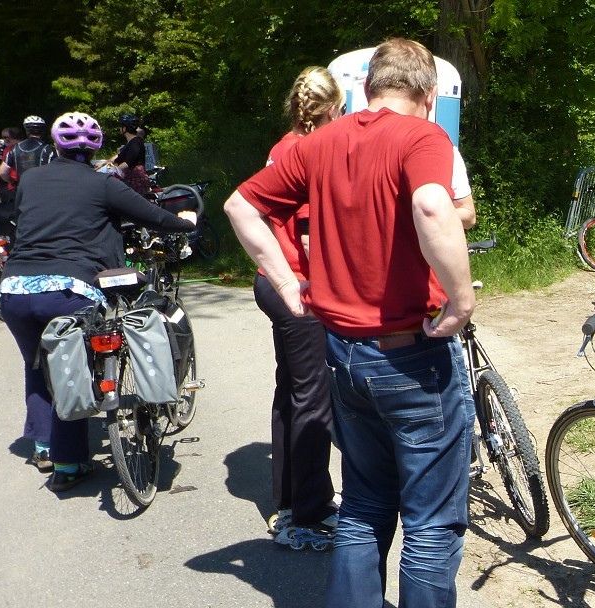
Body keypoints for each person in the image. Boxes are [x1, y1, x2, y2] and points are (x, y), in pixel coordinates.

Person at [225, 37, 476, 607]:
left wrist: (287, 283)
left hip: (343, 354)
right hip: (411, 356)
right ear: (429, 94)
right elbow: (435, 206)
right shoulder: (423, 135)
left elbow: (241, 205)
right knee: (432, 524)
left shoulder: (321, 141)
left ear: (367, 87)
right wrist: (460, 301)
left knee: (364, 505)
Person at [0, 112, 195, 491]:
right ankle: (69, 464)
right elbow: (152, 216)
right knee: (72, 367)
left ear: (56, 145)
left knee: (39, 362)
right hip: (68, 289)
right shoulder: (102, 183)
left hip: (16, 290)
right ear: (95, 149)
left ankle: (43, 446)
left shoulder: (32, 180)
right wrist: (186, 221)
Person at [255, 66, 344, 550]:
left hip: (272, 279)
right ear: (332, 110)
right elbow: (312, 233)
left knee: (291, 389)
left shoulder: (282, 145)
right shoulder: (315, 151)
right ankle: (307, 517)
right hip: (298, 283)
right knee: (314, 398)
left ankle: (290, 501)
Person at [0, 118, 53, 239]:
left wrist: (13, 181)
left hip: (20, 192)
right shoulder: (48, 149)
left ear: (26, 131)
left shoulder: (15, 149)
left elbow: (2, 172)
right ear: (43, 131)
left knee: (21, 224)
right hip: (43, 194)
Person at [112, 113, 149, 195]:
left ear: (124, 128)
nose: (119, 128)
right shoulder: (130, 143)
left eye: (121, 126)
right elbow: (118, 157)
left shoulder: (136, 142)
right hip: (130, 180)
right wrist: (105, 162)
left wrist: (112, 171)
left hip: (135, 180)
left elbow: (129, 162)